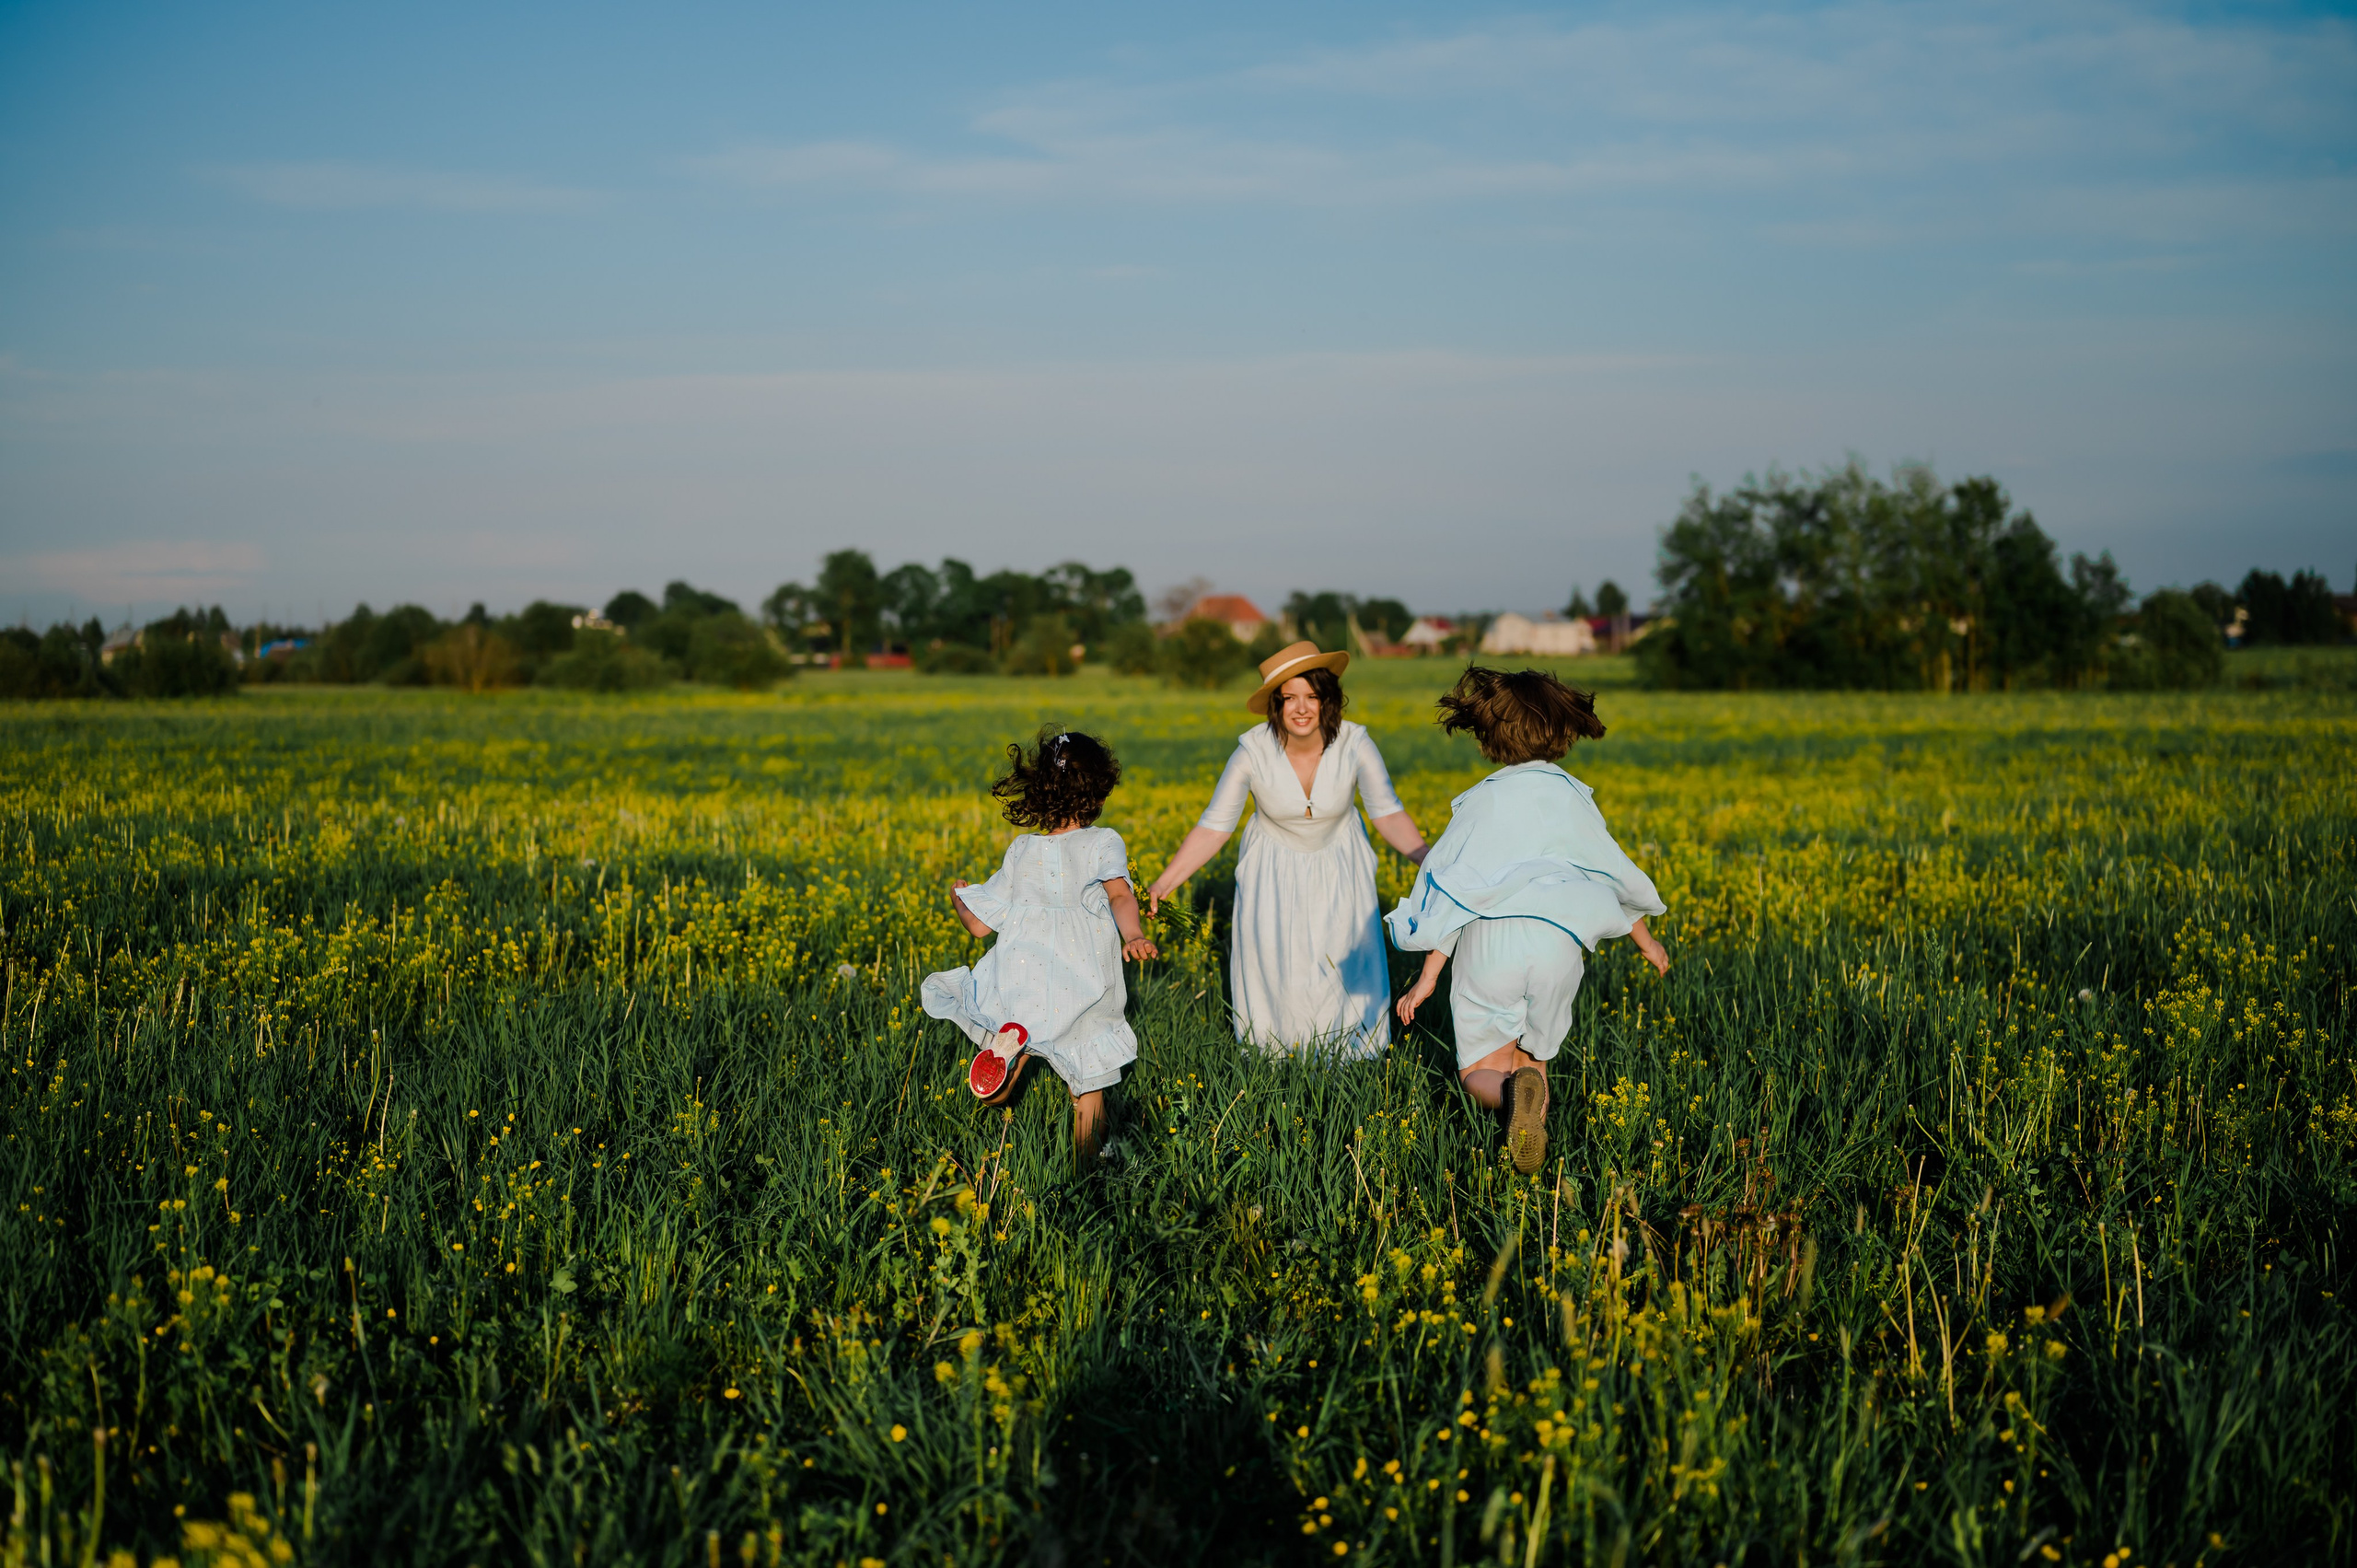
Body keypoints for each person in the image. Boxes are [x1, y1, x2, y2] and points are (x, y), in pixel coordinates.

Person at [1387, 667, 1668, 1174]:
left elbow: (1457, 888)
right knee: (1534, 1055)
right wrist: (1645, 940)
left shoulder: (1482, 800)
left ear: (1489, 734)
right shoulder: (1572, 797)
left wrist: (1428, 976)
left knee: (1481, 1068)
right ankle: (1531, 1118)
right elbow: (1608, 871)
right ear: (1559, 728)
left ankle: (1510, 1094)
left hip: (1492, 941)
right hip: (1558, 944)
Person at [1147, 641, 1428, 1058]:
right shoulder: (1251, 752)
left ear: (1327, 699)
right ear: (1275, 705)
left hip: (1341, 868)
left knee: (1345, 967)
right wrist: (1166, 881)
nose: (1301, 708)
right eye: (1289, 698)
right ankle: (1276, 1058)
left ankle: (1354, 1059)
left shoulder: (1355, 743)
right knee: (1280, 970)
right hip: (1272, 873)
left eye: (1312, 696)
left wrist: (1431, 861)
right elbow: (1215, 825)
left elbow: (1387, 813)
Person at [923, 727, 1158, 1163]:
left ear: (1040, 793)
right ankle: (1089, 1170)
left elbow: (978, 926)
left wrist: (960, 897)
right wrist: (1134, 935)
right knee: (1088, 1077)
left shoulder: (1023, 849)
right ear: (1100, 792)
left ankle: (1007, 1064)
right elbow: (1121, 895)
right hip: (1081, 978)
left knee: (1025, 1026)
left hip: (1025, 972)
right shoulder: (1104, 842)